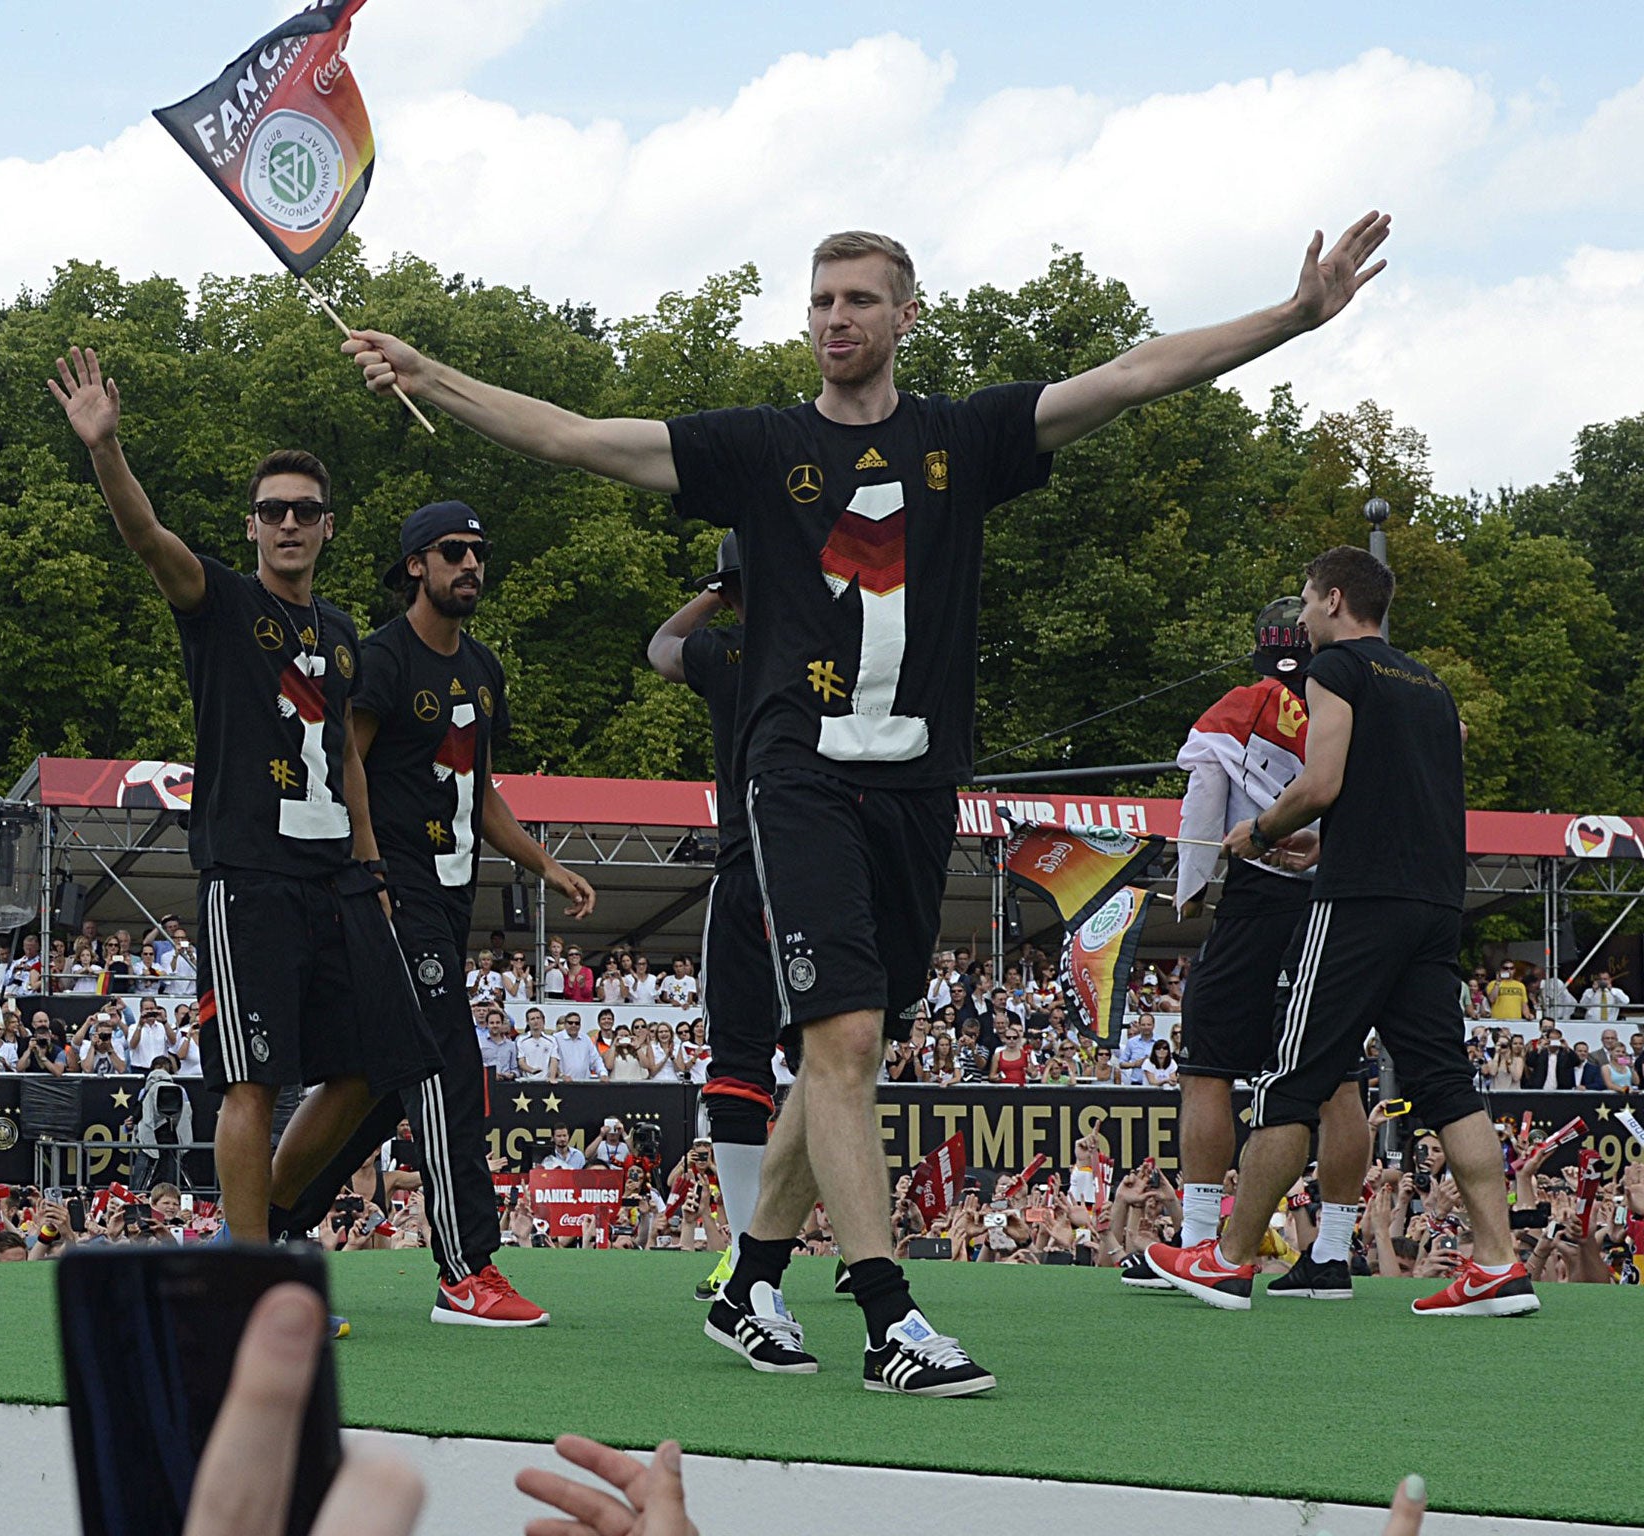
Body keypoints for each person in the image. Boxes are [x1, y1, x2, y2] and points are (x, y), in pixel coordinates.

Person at [346, 211, 1391, 1393]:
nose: (834, 318)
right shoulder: (755, 448)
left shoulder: (966, 437)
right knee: (838, 1041)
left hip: (914, 789)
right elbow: (579, 437)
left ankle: (747, 1283)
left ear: (905, 314)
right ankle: (887, 1313)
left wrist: (1290, 317)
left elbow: (1136, 374)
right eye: (819, 300)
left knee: (857, 1053)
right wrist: (432, 374)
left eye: (856, 299)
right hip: (797, 776)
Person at [48, 346, 438, 1247]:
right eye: (273, 511)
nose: (288, 523)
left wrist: (373, 870)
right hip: (250, 874)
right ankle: (250, 1269)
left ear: (329, 527)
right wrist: (105, 449)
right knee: (253, 1081)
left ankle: (253, 1230)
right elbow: (146, 535)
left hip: (337, 879)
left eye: (304, 511)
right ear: (253, 525)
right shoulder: (218, 602)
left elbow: (347, 758)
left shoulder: (344, 637)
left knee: (377, 1066)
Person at [1145, 546, 1536, 1317]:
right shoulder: (1428, 684)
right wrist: (1326, 841)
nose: (1300, 612)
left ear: (1331, 599)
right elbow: (1404, 795)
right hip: (1431, 903)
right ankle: (1499, 1263)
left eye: (1304, 597)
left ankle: (1226, 1261)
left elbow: (1319, 783)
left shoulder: (1335, 672)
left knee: (1292, 1081)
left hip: (1358, 907)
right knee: (1446, 1086)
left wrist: (1259, 830)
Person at [264, 501, 594, 1328]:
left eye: (479, 552)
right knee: (449, 1068)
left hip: (448, 902)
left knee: (373, 1085)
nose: (471, 565)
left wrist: (545, 863)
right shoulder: (379, 657)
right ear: (415, 563)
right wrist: (370, 872)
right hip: (392, 895)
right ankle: (464, 1269)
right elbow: (347, 767)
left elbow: (479, 794)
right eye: (454, 552)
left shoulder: (482, 670)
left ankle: (259, 1232)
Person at [1125, 597, 1372, 1298]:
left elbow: (1204, 800)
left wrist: (1191, 891)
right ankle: (1329, 1254)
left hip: (1259, 897)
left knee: (1206, 1067)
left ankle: (1200, 1241)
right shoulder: (1349, 705)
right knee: (1338, 1079)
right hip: (1333, 903)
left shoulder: (1238, 707)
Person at [649, 532, 782, 1306]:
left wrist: (716, 589)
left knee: (737, 1064)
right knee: (839, 1066)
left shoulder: (725, 651)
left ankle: (747, 1253)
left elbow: (662, 645)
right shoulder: (834, 644)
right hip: (825, 878)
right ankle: (853, 1247)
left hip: (747, 872)